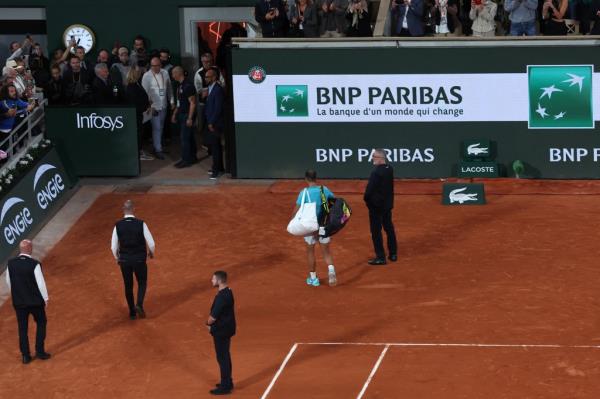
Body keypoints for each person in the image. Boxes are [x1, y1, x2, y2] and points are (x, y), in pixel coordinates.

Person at [5, 239, 51, 364]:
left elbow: (9, 282)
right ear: (30, 249)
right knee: (41, 322)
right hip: (35, 303)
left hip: (19, 303)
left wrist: (16, 294)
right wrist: (45, 298)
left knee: (22, 328)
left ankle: (25, 356)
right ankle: (40, 351)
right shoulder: (34, 264)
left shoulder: (10, 264)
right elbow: (41, 284)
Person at [110, 200, 156, 320]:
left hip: (125, 260)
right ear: (134, 209)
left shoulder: (118, 225)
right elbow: (151, 243)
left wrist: (117, 258)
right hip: (140, 259)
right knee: (142, 282)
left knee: (128, 285)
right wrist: (151, 253)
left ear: (123, 209)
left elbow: (113, 246)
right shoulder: (141, 223)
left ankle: (131, 312)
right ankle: (139, 304)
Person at [292, 169, 337, 287]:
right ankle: (331, 270)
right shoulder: (324, 190)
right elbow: (334, 202)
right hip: (324, 225)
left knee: (310, 252)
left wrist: (293, 220)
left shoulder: (304, 192)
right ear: (316, 178)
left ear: (306, 179)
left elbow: (296, 209)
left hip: (309, 227)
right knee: (326, 252)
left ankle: (313, 279)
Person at [364, 149, 397, 265]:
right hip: (387, 206)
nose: (372, 158)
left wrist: (367, 201)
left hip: (376, 207)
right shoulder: (390, 169)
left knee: (376, 232)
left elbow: (368, 191)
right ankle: (393, 254)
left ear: (380, 158)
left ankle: (381, 257)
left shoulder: (376, 172)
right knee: (389, 228)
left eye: (374, 156)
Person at [206, 271, 236, 396]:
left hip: (221, 331)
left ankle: (225, 386)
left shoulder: (221, 297)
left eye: (213, 279)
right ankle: (228, 382)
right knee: (225, 355)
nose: (212, 281)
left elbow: (213, 317)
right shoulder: (229, 291)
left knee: (222, 358)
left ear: (219, 281)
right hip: (227, 329)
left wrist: (208, 324)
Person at [142, 57, 173, 160]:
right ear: (150, 66)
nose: (155, 68)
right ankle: (158, 149)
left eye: (157, 65)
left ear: (161, 65)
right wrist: (149, 106)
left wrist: (171, 101)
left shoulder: (165, 73)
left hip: (163, 105)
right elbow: (144, 93)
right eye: (153, 66)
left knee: (161, 126)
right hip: (154, 107)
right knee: (157, 128)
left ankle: (158, 146)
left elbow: (169, 88)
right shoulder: (147, 76)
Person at [171, 66, 198, 168]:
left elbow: (193, 103)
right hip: (182, 114)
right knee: (189, 136)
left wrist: (190, 118)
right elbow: (179, 102)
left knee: (184, 138)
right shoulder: (180, 86)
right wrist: (174, 114)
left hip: (187, 114)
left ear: (178, 74)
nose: (173, 76)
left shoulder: (188, 86)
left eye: (174, 74)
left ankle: (186, 160)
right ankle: (192, 157)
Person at [125, 67, 154, 161]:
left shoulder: (136, 84)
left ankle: (139, 151)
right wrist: (145, 106)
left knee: (140, 133)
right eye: (138, 73)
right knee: (138, 133)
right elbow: (135, 102)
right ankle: (138, 153)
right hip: (136, 114)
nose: (140, 74)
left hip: (139, 113)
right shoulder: (132, 87)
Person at [204, 67, 225, 180]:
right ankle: (218, 167)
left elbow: (218, 108)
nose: (205, 78)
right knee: (214, 146)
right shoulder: (211, 88)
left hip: (216, 124)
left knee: (216, 147)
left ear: (214, 77)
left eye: (208, 77)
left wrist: (211, 122)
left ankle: (217, 171)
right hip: (212, 122)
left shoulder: (218, 90)